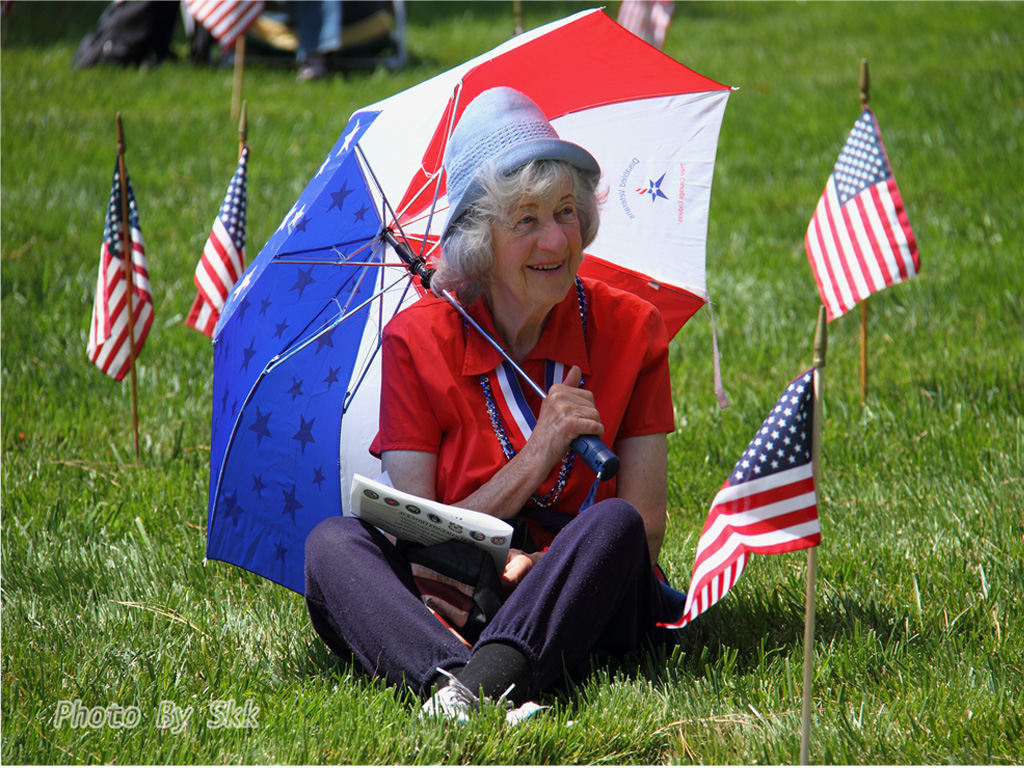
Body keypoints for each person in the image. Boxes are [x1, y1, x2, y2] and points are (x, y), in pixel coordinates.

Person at [304, 87, 679, 723]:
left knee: (612, 526)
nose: (556, 240)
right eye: (526, 221)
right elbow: (417, 528)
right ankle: (462, 678)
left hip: (581, 593)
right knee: (333, 544)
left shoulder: (631, 329)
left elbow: (646, 528)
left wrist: (544, 564)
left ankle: (468, 689)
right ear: (479, 240)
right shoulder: (416, 341)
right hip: (453, 591)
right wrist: (537, 458)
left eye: (566, 211)